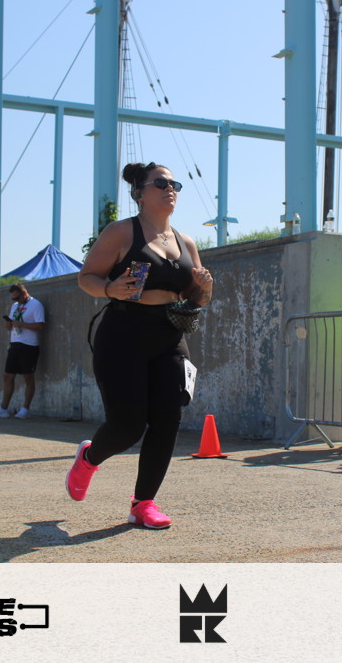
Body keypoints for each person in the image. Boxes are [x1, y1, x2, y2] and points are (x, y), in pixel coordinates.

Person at [67, 161, 213, 529]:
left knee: (168, 419)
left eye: (174, 184)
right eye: (160, 183)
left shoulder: (186, 242)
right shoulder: (121, 232)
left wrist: (204, 290)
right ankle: (89, 458)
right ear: (139, 193)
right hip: (123, 333)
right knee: (126, 427)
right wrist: (109, 288)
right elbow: (86, 277)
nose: (170, 189)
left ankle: (143, 503)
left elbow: (194, 297)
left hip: (170, 336)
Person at [0, 284, 46, 419]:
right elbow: (10, 327)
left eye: (17, 298)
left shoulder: (36, 305)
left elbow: (41, 325)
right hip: (15, 343)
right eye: (13, 298)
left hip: (29, 345)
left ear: (24, 293)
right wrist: (8, 324)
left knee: (28, 377)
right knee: (7, 376)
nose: (16, 301)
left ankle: (25, 409)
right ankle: (3, 408)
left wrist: (22, 324)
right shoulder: (15, 306)